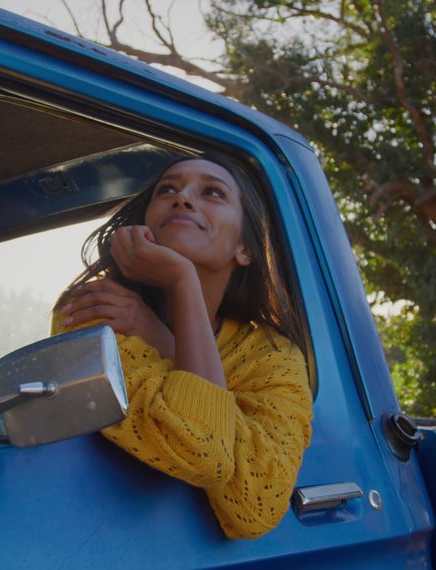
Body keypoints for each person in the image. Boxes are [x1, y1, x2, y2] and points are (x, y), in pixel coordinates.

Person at [52, 154, 312, 539]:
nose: (183, 199)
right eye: (167, 189)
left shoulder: (272, 356)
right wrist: (183, 281)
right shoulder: (96, 311)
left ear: (244, 248)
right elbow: (202, 448)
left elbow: (257, 507)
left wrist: (172, 311)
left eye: (212, 191)